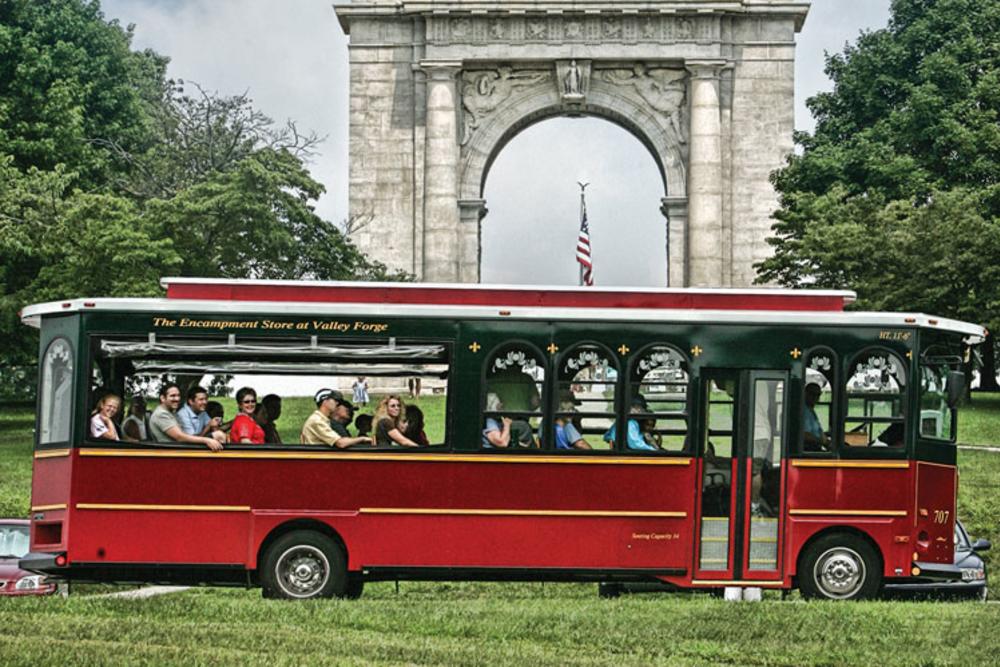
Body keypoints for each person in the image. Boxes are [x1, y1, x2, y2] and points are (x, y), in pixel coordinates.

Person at [149, 383, 224, 451]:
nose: (177, 399)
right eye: (173, 396)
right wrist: (207, 440)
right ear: (163, 398)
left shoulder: (171, 412)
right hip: (171, 453)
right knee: (218, 436)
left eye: (178, 395)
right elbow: (180, 437)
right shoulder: (161, 414)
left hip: (180, 449)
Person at [301, 388, 372, 448]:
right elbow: (340, 443)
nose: (337, 403)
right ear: (325, 401)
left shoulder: (322, 419)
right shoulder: (317, 421)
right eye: (334, 400)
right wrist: (363, 438)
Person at [803, 382, 830, 451]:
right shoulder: (803, 411)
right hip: (808, 450)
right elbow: (804, 435)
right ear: (805, 394)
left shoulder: (810, 411)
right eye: (812, 394)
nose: (815, 397)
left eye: (818, 395)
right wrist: (822, 441)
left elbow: (817, 431)